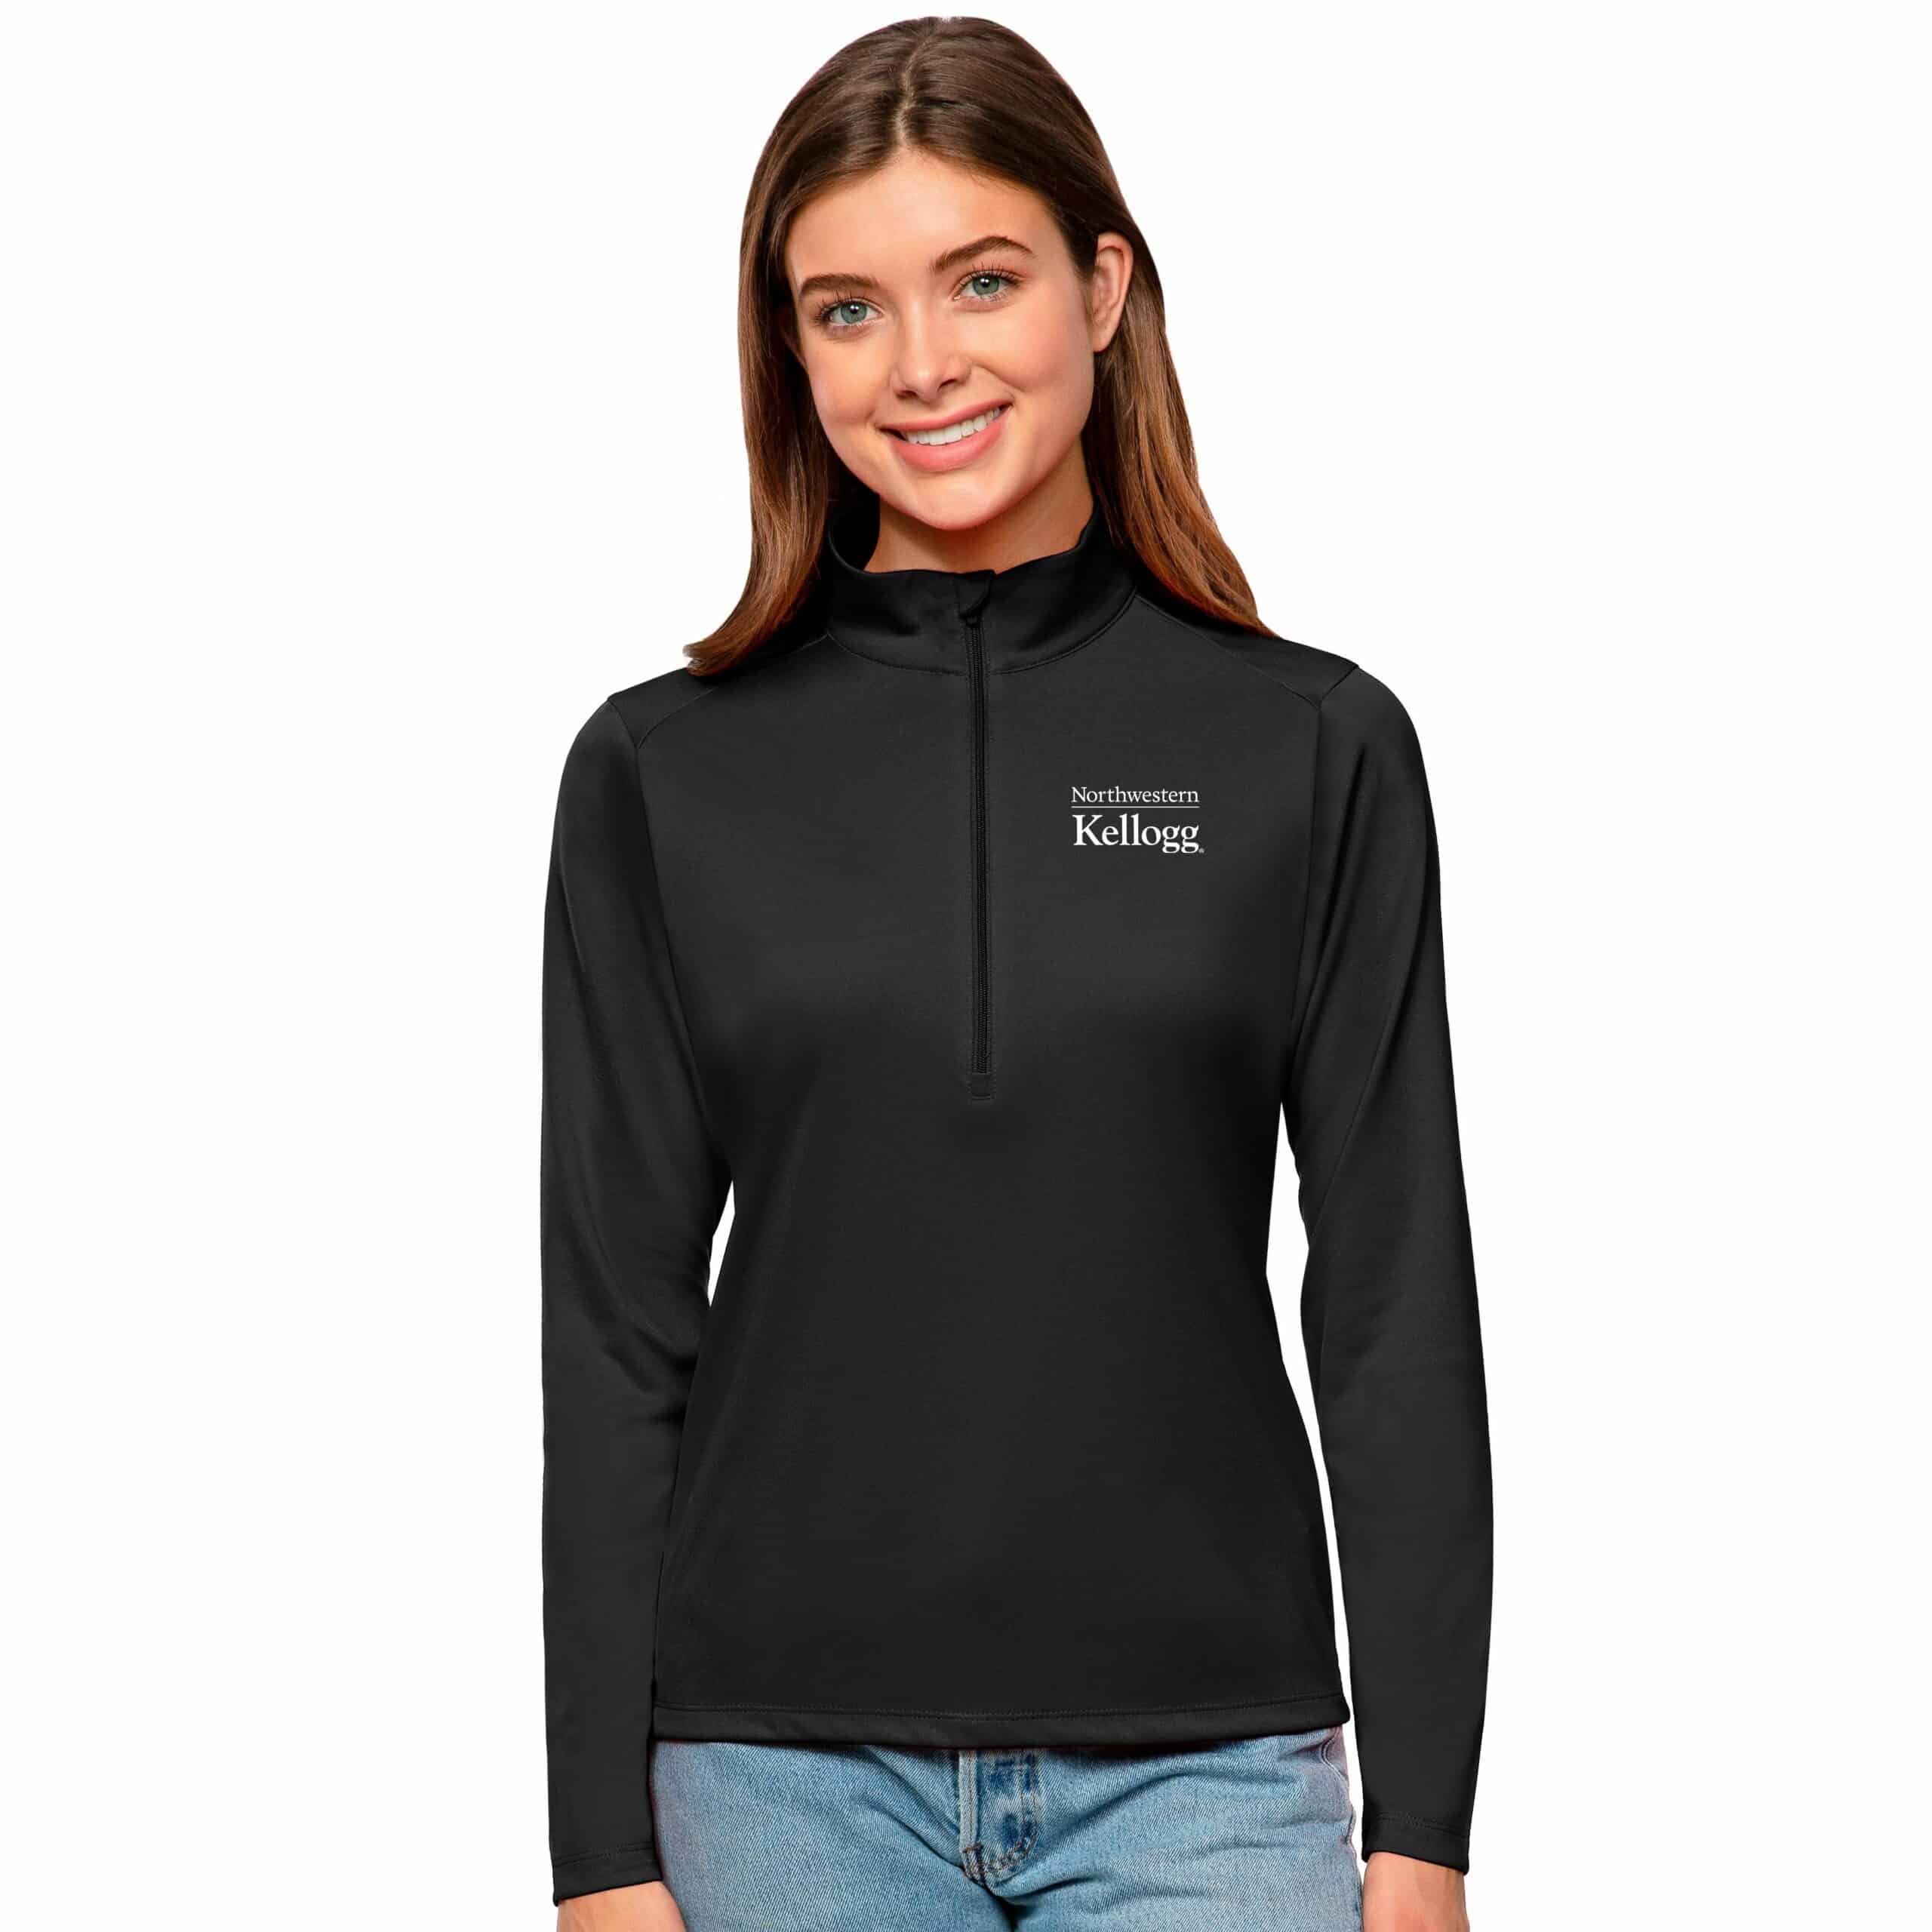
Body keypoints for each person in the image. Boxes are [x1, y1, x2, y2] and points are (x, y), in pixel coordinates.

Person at [541, 17, 1492, 1931]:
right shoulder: (661, 770)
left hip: (1213, 1773)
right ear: (789, 351)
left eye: (980, 279)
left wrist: (1423, 1833)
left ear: (1102, 288)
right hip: (774, 1776)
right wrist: (598, 1855)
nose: (921, 363)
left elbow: (1394, 1298)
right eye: (846, 309)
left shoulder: (1310, 746)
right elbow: (612, 1329)